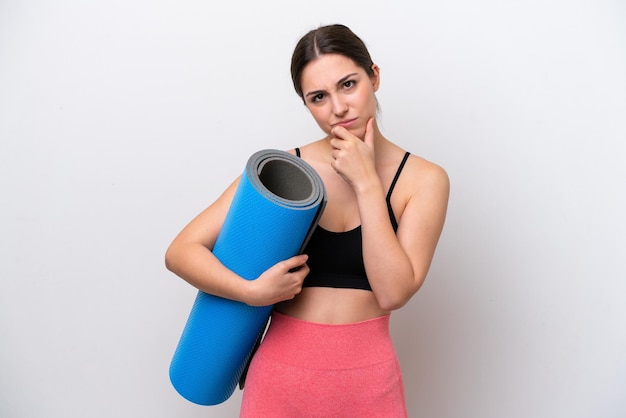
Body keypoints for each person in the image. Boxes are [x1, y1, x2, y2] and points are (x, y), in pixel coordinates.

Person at [165, 23, 449, 417]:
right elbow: (180, 251)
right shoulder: (286, 170)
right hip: (279, 382)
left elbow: (393, 294)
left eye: (348, 84)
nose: (338, 108)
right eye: (319, 97)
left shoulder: (423, 180)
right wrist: (250, 292)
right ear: (306, 104)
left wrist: (366, 182)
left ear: (374, 76)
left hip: (368, 385)